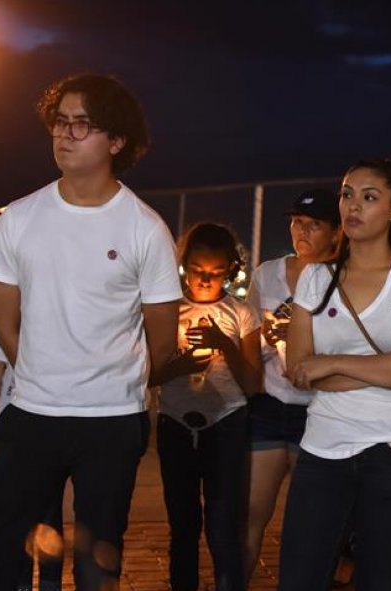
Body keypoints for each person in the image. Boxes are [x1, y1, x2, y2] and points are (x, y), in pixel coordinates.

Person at [0, 73, 181, 591]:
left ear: (117, 140)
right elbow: (6, 323)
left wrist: (112, 382)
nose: (64, 134)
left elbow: (164, 340)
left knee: (97, 561)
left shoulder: (143, 227)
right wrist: (43, 375)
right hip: (32, 415)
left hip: (111, 423)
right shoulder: (19, 218)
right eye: (59, 122)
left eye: (81, 125)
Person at [278, 159, 391, 590]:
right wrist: (386, 364)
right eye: (347, 194)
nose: (353, 206)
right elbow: (298, 369)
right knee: (299, 576)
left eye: (369, 197)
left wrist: (331, 362)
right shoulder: (316, 277)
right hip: (323, 446)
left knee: (382, 580)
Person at [155, 222, 261, 591]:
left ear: (230, 270)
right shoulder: (167, 311)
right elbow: (144, 375)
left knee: (222, 525)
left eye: (216, 273)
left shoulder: (241, 313)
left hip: (226, 423)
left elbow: (252, 383)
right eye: (198, 270)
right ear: (184, 265)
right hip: (175, 424)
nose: (205, 279)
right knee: (182, 525)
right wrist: (180, 366)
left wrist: (225, 345)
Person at [243, 188, 340, 581]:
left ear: (335, 233)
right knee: (249, 515)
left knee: (309, 526)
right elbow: (247, 339)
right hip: (268, 406)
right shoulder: (267, 274)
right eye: (297, 222)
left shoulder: (341, 277)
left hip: (317, 411)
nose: (302, 231)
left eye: (314, 225)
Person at [0, 317, 65, 591]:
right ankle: (19, 583)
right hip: (12, 429)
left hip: (52, 425)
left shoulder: (62, 305)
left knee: (50, 516)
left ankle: (50, 584)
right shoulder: (6, 312)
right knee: (12, 515)